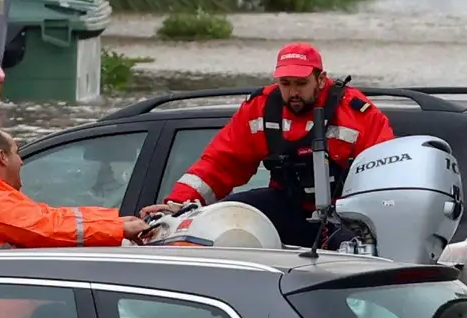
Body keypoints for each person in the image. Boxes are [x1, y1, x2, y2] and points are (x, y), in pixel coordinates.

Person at [146, 42, 394, 247]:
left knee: (360, 247)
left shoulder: (357, 113)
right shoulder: (261, 109)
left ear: (320, 79)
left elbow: (386, 176)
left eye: (301, 83)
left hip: (342, 214)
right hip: (285, 206)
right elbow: (220, 164)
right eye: (285, 84)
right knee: (222, 218)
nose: (293, 92)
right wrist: (177, 207)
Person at [0, 128, 149, 253]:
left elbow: (50, 217)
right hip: (3, 316)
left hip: (6, 310)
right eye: (16, 153)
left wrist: (116, 222)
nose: (21, 161)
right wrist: (117, 230)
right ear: (2, 157)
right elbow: (47, 228)